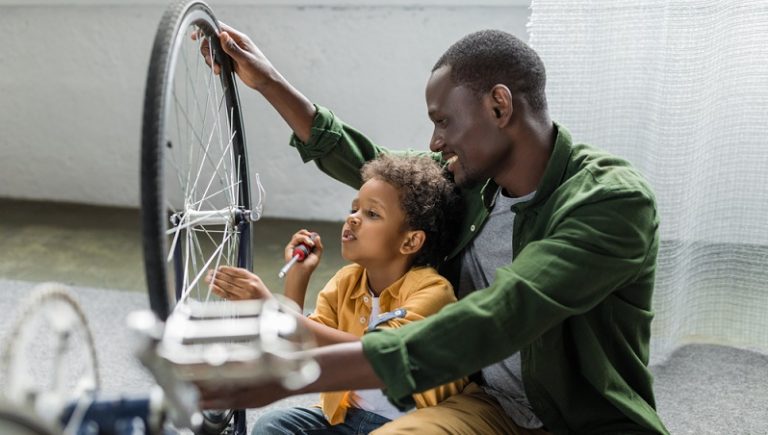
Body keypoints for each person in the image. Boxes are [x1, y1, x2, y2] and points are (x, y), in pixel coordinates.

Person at [199, 25, 670, 434]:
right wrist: (269, 83)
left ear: (499, 105)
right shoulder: (471, 183)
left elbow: (506, 313)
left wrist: (300, 369)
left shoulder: (612, 200)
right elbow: (371, 166)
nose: (435, 141)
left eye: (443, 121)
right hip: (487, 409)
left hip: (587, 423)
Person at [207, 154, 467, 434]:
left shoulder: (432, 291)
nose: (352, 219)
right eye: (354, 209)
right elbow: (301, 348)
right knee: (273, 425)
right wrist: (298, 278)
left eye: (372, 214)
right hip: (345, 419)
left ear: (410, 241)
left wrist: (273, 309)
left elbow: (376, 357)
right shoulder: (345, 282)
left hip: (408, 426)